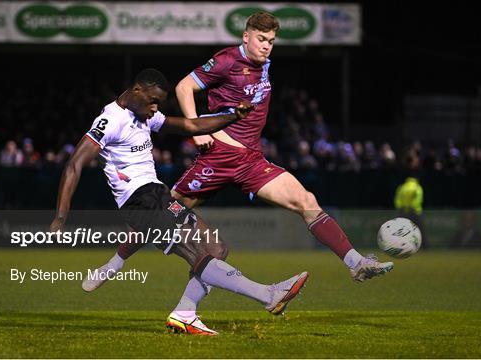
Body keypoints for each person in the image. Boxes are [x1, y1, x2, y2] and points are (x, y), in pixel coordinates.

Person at [165, 11, 392, 333]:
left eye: (271, 41)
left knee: (305, 200)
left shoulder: (264, 64)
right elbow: (184, 86)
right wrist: (196, 128)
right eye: (261, 39)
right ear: (246, 37)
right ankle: (118, 259)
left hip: (252, 161)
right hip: (218, 157)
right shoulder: (227, 60)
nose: (266, 46)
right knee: (167, 211)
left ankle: (355, 263)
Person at [50, 68, 309, 336]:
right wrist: (60, 218)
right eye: (152, 101)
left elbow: (191, 126)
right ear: (137, 91)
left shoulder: (144, 116)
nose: (154, 108)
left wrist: (232, 116)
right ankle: (269, 295)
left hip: (158, 195)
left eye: (158, 103)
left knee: (215, 247)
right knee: (196, 254)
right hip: (140, 202)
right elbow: (73, 166)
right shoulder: (110, 120)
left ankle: (184, 313)